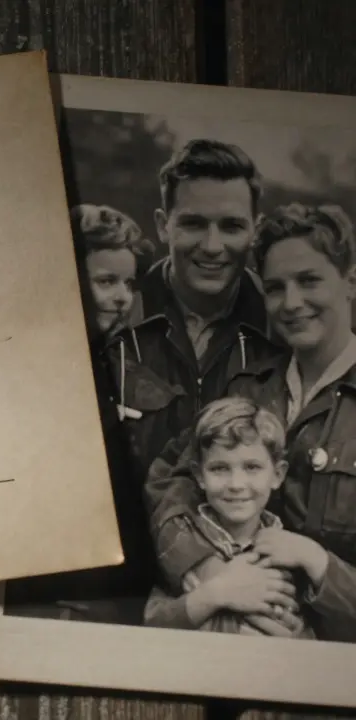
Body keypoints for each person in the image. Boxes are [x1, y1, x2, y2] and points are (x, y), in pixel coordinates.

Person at [147, 203, 356, 642]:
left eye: (309, 281)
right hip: (221, 636)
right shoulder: (247, 389)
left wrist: (318, 565)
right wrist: (207, 567)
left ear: (351, 282)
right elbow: (171, 481)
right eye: (276, 288)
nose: (292, 303)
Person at [4, 204, 158, 624]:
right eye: (106, 281)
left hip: (102, 583)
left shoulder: (123, 368)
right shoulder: (21, 359)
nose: (123, 296)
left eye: (128, 282)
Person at [121, 138, 281, 492]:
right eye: (193, 224)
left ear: (255, 230)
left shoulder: (284, 329)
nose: (212, 246)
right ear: (164, 226)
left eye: (232, 226)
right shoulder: (114, 321)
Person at [142, 396, 312, 637]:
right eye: (220, 468)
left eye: (252, 467)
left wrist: (296, 638)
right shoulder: (184, 542)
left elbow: (301, 631)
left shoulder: (288, 553)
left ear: (277, 474)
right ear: (199, 475)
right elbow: (153, 625)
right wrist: (215, 594)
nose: (236, 484)